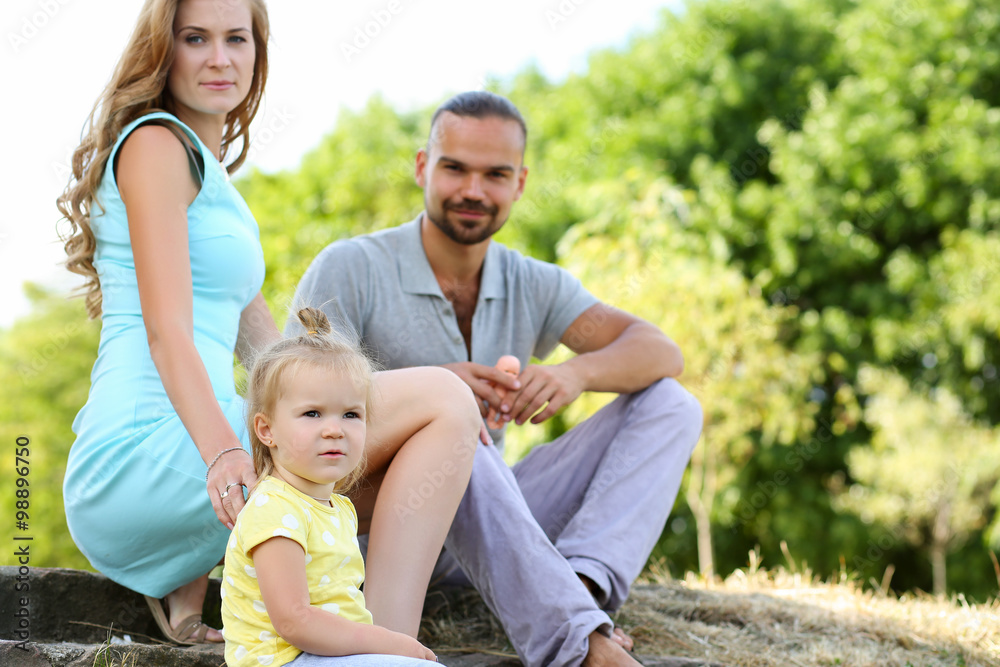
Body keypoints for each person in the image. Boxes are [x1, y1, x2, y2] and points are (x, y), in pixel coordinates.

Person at [57, 0, 479, 647]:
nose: (220, 59)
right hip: (139, 452)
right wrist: (224, 454)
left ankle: (354, 636)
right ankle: (383, 651)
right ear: (162, 49)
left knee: (394, 456)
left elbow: (272, 358)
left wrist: (354, 400)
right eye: (195, 39)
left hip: (190, 444)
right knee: (445, 400)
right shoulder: (155, 145)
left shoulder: (213, 179)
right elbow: (166, 333)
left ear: (258, 51)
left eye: (237, 39)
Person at [287, 91, 704, 667]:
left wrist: (575, 373)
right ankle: (581, 647)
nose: (474, 190)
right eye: (455, 168)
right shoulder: (350, 266)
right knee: (454, 425)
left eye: (496, 175)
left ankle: (578, 591)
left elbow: (660, 350)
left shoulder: (532, 282)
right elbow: (296, 407)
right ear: (422, 167)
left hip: (490, 530)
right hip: (372, 532)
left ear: (520, 183)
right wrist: (434, 389)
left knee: (672, 404)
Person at [222, 307, 443, 667]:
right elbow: (294, 620)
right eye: (312, 413)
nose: (334, 430)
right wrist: (387, 641)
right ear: (267, 430)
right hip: (286, 659)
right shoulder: (274, 509)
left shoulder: (338, 508)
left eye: (351, 414)